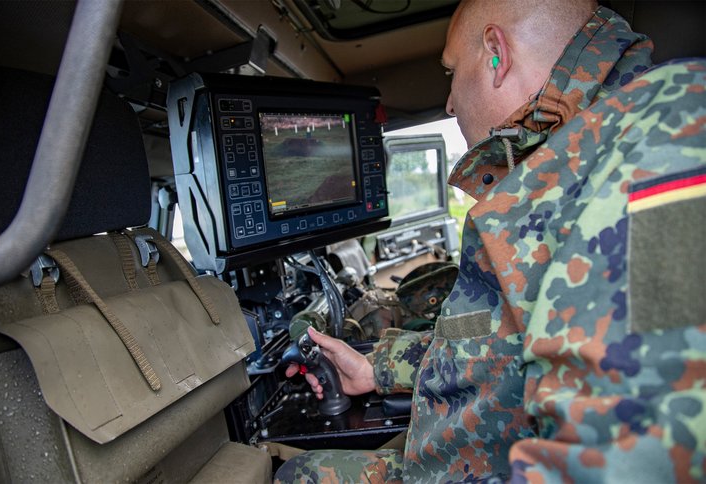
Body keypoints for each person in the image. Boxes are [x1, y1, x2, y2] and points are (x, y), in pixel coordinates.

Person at [275, 0, 706, 481]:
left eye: (452, 72)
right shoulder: (578, 160)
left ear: (496, 54)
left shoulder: (663, 139)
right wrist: (376, 367)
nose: (451, 103)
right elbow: (502, 350)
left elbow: (641, 456)